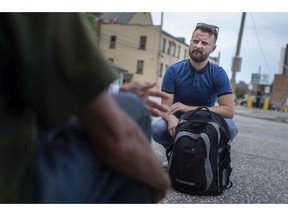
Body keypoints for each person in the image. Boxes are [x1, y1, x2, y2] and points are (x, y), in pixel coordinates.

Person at [0, 13, 170, 203]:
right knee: (132, 108)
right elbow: (118, 139)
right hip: (15, 188)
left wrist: (112, 93)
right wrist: (159, 180)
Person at [152, 22, 238, 152]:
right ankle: (175, 154)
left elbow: (229, 111)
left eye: (204, 43)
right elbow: (164, 107)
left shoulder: (218, 73)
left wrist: (188, 108)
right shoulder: (173, 71)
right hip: (179, 120)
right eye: (195, 41)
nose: (198, 46)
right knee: (157, 129)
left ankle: (210, 157)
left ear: (213, 49)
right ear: (190, 42)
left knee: (231, 128)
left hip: (206, 121)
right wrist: (170, 118)